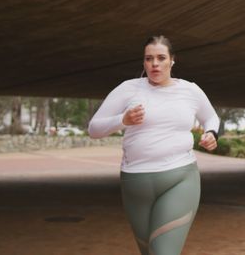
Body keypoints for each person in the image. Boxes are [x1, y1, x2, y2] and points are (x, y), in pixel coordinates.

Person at [88, 35, 219, 255]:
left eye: (161, 58)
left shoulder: (190, 90)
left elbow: (211, 117)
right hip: (134, 183)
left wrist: (211, 133)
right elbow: (94, 129)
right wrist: (123, 120)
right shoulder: (128, 89)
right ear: (144, 62)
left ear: (172, 61)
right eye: (149, 59)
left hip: (179, 178)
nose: (155, 64)